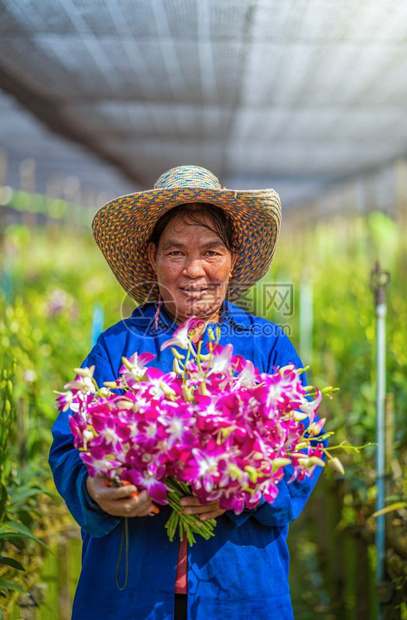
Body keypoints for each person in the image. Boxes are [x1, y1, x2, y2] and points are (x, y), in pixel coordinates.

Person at [49, 165, 324, 620]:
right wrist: (93, 489)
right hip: (129, 597)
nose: (194, 271)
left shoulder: (268, 344)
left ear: (232, 258)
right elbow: (68, 447)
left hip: (240, 592)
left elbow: (305, 448)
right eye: (176, 253)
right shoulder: (118, 347)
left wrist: (243, 489)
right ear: (154, 257)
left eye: (211, 251)